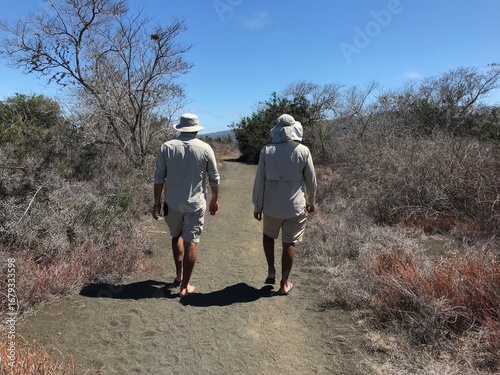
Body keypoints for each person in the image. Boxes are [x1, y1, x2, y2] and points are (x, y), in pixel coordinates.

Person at [152, 113, 220, 298]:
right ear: (196, 129)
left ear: (180, 128)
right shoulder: (205, 148)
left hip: (172, 202)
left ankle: (179, 274)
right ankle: (185, 286)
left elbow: (159, 177)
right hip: (195, 204)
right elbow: (214, 178)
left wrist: (156, 203)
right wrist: (214, 199)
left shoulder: (167, 147)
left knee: (176, 236)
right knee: (192, 243)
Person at [252, 114, 317, 295]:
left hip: (271, 204)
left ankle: (271, 271)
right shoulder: (303, 150)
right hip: (295, 206)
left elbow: (259, 180)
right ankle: (284, 283)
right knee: (289, 242)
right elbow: (311, 180)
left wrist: (258, 205)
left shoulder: (267, 150)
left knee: (268, 236)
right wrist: (311, 201)